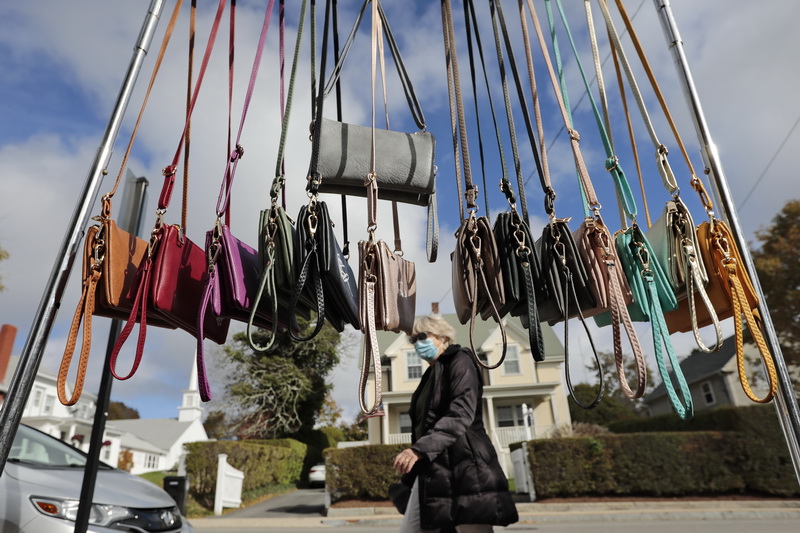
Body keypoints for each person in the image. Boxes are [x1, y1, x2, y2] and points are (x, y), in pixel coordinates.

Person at [393, 315, 518, 532]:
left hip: (467, 470)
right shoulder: (431, 374)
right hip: (435, 472)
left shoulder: (460, 360)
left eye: (422, 336)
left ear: (442, 337)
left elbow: (461, 413)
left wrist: (419, 450)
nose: (417, 343)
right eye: (413, 340)